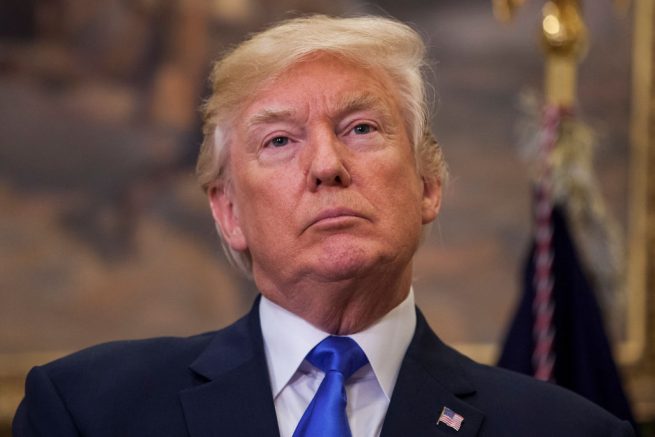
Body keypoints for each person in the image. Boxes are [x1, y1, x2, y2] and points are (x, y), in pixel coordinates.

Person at [13, 15, 635, 437]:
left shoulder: (567, 429)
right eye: (280, 140)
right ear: (228, 212)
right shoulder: (89, 412)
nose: (327, 166)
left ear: (427, 185)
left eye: (361, 129)